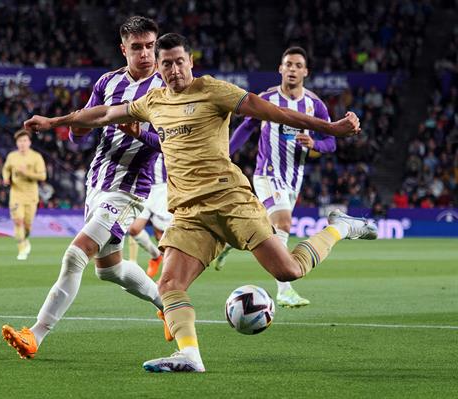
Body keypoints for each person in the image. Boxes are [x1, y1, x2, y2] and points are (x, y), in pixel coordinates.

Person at [22, 33, 377, 373]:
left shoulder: (212, 90)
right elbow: (101, 115)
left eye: (179, 62)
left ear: (190, 61)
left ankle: (340, 226)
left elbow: (268, 111)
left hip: (231, 201)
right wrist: (53, 121)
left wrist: (328, 129)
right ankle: (189, 354)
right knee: (169, 284)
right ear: (159, 69)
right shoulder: (152, 102)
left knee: (288, 271)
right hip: (189, 213)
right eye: (167, 65)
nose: (174, 70)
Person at [1, 16, 172, 360]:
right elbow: (82, 129)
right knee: (110, 269)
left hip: (129, 189)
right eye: (136, 47)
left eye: (150, 46)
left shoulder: (167, 91)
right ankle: (169, 306)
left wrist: (140, 134)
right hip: (97, 185)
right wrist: (75, 132)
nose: (145, 54)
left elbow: (171, 143)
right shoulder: (107, 83)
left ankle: (35, 334)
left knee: (75, 255)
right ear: (123, 50)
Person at [213, 46, 336, 308]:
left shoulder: (314, 105)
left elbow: (331, 143)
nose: (292, 69)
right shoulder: (267, 98)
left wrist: (314, 144)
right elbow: (246, 127)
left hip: (294, 177)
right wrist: (225, 155)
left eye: (297, 65)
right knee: (283, 224)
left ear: (306, 71)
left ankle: (231, 242)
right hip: (268, 172)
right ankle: (284, 290)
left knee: (268, 227)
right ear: (280, 69)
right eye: (288, 64)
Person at [2, 129, 47, 260]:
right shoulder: (12, 156)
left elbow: (43, 176)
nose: (22, 143)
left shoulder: (36, 157)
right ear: (16, 143)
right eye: (20, 141)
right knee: (18, 221)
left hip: (31, 195)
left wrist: (26, 173)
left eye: (25, 140)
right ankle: (21, 249)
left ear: (29, 142)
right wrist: (6, 178)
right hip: (16, 193)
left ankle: (25, 239)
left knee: (27, 225)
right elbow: (6, 168)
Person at [127, 152, 171, 278]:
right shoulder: (140, 136)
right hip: (143, 188)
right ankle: (156, 256)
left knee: (161, 236)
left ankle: (168, 277)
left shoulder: (164, 137)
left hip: (162, 190)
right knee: (134, 229)